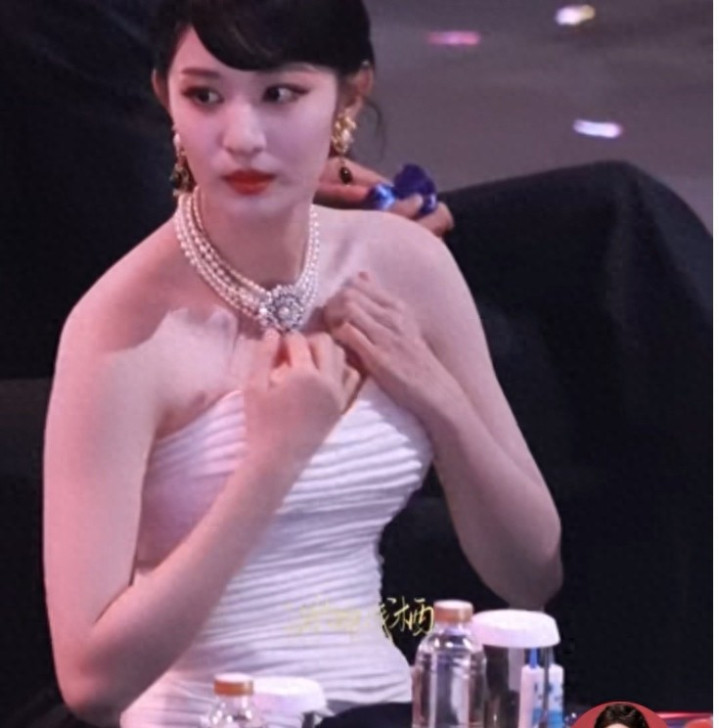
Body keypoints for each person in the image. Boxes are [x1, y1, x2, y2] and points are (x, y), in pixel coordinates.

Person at [42, 1, 562, 727]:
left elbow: (532, 574)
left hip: (389, 707)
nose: (240, 137)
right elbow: (92, 686)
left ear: (350, 94)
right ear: (165, 97)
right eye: (204, 95)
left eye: (280, 94)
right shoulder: (123, 328)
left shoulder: (405, 265)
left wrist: (437, 396)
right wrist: (271, 464)